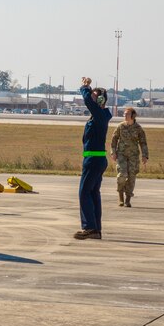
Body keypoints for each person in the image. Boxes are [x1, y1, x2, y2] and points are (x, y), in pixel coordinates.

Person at [75, 77, 112, 239]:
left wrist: (85, 87)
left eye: (95, 97)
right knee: (93, 193)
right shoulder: (101, 115)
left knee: (84, 193)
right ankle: (95, 229)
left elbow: (88, 100)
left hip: (93, 160)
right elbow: (91, 101)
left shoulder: (99, 114)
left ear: (100, 100)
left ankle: (90, 227)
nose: (92, 98)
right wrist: (92, 92)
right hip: (97, 160)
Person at [110, 106, 149, 208]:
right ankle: (120, 197)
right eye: (124, 114)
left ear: (133, 116)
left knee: (132, 177)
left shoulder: (138, 129)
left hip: (133, 156)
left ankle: (127, 200)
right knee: (122, 175)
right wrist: (113, 152)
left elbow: (143, 143)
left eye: (127, 114)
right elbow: (114, 140)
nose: (125, 116)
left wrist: (145, 155)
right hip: (121, 155)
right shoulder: (120, 126)